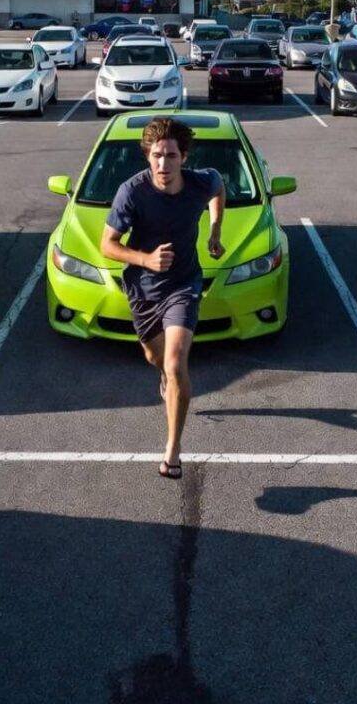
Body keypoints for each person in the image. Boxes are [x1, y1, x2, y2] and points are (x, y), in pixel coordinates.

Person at [101, 116, 225, 480]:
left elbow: (220, 188)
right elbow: (106, 245)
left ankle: (172, 451)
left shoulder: (201, 182)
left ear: (183, 157)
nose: (162, 164)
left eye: (170, 155)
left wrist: (214, 231)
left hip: (184, 284)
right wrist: (146, 259)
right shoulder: (132, 191)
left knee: (175, 364)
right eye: (156, 155)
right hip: (143, 290)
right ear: (147, 156)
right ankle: (168, 381)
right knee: (155, 357)